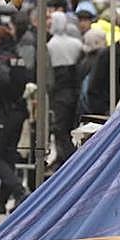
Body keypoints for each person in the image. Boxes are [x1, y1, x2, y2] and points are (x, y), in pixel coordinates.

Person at [0, 26, 30, 215]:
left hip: (1, 114)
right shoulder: (18, 58)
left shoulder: (0, 60)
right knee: (8, 157)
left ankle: (19, 191)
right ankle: (0, 202)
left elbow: (2, 79)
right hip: (17, 113)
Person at [47, 11, 83, 168]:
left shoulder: (50, 46)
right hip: (74, 90)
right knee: (70, 126)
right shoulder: (76, 44)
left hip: (60, 91)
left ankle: (68, 159)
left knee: (61, 128)